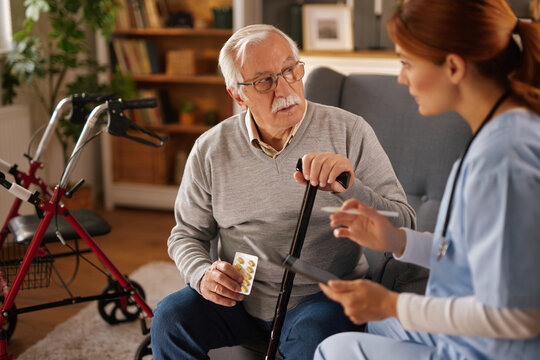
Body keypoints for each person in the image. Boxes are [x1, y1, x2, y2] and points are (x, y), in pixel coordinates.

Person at [150, 24, 415, 360]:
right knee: (170, 319)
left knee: (313, 336)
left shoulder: (350, 131)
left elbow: (405, 222)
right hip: (240, 297)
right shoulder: (210, 149)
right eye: (264, 81)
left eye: (290, 70)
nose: (286, 88)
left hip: (321, 297)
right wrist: (202, 274)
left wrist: (350, 187)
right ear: (237, 94)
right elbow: (186, 235)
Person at [314, 0, 540, 359]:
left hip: (491, 348)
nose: (401, 77)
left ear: (452, 66)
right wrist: (399, 239)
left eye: (406, 62)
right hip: (468, 327)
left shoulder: (503, 160)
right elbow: (471, 252)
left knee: (334, 349)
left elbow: (519, 316)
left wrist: (394, 305)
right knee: (377, 325)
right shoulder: (496, 133)